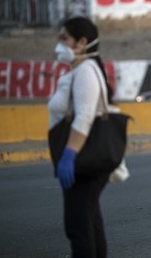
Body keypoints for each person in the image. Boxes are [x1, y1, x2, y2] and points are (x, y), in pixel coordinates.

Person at [48, 16, 114, 257]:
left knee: (77, 227)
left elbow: (84, 115)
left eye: (64, 38)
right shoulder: (80, 70)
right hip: (81, 159)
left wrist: (69, 155)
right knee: (89, 223)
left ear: (82, 42)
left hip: (82, 160)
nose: (58, 44)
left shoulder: (85, 70)